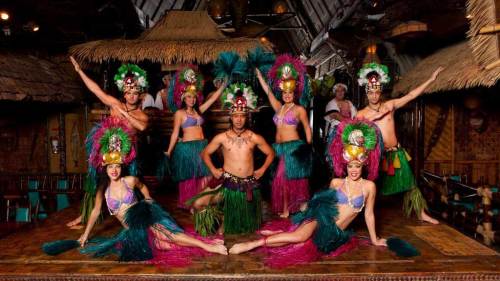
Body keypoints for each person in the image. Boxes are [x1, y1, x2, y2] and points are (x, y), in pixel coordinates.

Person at [44, 118, 228, 262]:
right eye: (110, 167)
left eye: (117, 166)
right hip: (133, 231)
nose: (114, 170)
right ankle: (207, 243)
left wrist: (148, 199)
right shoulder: (103, 190)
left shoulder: (129, 180)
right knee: (167, 246)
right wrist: (84, 236)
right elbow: (94, 212)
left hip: (146, 219)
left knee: (169, 235)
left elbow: (142, 186)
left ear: (121, 167)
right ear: (105, 169)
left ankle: (208, 247)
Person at [229, 120, 386, 267]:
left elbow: (369, 214)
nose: (353, 170)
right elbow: (324, 203)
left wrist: (375, 239)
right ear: (346, 166)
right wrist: (309, 208)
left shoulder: (369, 187)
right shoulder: (337, 183)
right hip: (321, 217)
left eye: (357, 166)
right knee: (300, 237)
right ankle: (251, 245)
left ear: (363, 166)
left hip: (333, 232)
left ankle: (286, 232)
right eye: (350, 166)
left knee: (299, 243)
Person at [356, 62, 444, 224]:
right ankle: (358, 216)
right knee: (369, 186)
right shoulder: (361, 115)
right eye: (371, 93)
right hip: (377, 155)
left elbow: (410, 96)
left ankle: (420, 212)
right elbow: (355, 136)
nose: (374, 96)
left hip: (395, 152)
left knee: (410, 183)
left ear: (380, 92)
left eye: (376, 92)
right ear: (366, 93)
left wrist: (431, 79)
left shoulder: (390, 105)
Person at [67, 57, 149, 228]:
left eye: (135, 92)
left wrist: (126, 115)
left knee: (130, 184)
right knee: (97, 183)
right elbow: (97, 91)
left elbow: (141, 127)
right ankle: (86, 215)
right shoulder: (115, 104)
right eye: (128, 92)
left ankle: (136, 217)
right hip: (108, 152)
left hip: (127, 156)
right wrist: (79, 71)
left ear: (140, 94)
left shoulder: (142, 115)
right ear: (124, 93)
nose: (132, 96)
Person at [190, 90, 274, 235]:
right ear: (231, 117)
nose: (239, 119)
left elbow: (271, 153)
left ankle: (228, 219)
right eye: (235, 116)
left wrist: (263, 169)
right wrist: (214, 170)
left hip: (247, 185)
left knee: (245, 229)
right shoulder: (222, 137)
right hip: (227, 184)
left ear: (246, 117)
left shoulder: (254, 137)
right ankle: (222, 217)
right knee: (198, 203)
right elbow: (205, 153)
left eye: (242, 116)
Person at [255, 54, 312, 218]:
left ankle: (289, 208)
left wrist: (308, 148)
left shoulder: (299, 110)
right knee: (284, 178)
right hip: (279, 148)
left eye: (290, 93)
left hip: (294, 147)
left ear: (294, 93)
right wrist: (259, 76)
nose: (287, 95)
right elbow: (268, 92)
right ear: (282, 93)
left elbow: (307, 128)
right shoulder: (279, 107)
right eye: (285, 93)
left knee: (284, 177)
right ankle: (292, 206)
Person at [165, 67, 227, 209]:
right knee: (190, 177)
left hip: (201, 146)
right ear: (183, 98)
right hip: (187, 148)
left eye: (193, 97)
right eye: (188, 97)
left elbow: (212, 100)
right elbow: (175, 133)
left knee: (205, 175)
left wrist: (223, 86)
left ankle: (201, 201)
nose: (191, 99)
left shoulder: (199, 111)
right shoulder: (180, 114)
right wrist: (169, 151)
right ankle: (191, 204)